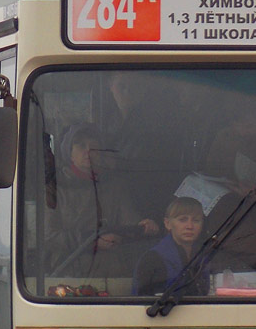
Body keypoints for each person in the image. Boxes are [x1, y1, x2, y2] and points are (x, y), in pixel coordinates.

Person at [43, 123, 159, 277]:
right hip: (67, 274)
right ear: (69, 153)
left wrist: (143, 225)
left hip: (111, 272)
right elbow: (48, 236)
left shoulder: (114, 185)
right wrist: (92, 242)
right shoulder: (55, 188)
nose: (88, 151)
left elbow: (128, 219)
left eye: (94, 146)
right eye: (81, 146)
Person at [132, 196, 210, 296]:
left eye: (196, 220)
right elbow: (139, 303)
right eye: (183, 220)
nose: (190, 226)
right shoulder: (152, 259)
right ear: (167, 223)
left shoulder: (206, 254)